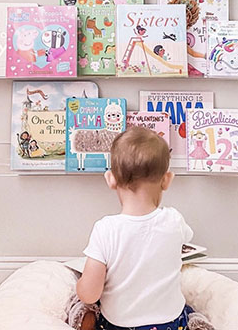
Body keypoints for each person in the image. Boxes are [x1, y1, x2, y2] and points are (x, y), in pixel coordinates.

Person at [76, 126, 194, 330]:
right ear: (167, 180)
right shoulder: (175, 220)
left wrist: (79, 286)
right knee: (191, 312)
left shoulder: (106, 230)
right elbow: (185, 240)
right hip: (170, 324)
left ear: (110, 179)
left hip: (119, 326)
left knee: (82, 306)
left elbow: (90, 294)